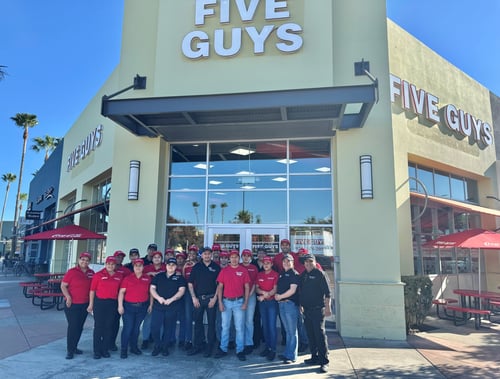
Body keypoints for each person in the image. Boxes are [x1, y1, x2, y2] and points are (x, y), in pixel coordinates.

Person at [215, 249, 250, 361]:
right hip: (226, 302)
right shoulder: (224, 271)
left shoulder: (243, 270)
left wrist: (245, 302)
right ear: (229, 259)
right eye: (232, 257)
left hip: (239, 302)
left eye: (236, 257)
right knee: (225, 327)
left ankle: (240, 350)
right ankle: (223, 348)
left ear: (238, 258)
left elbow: (247, 287)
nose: (234, 259)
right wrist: (220, 302)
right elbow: (220, 287)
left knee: (239, 327)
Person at [299, 253, 332, 373]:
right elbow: (301, 291)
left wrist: (328, 308)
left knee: (320, 335)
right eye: (306, 262)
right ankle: (314, 357)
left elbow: (328, 293)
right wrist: (301, 305)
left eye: (310, 262)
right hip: (307, 310)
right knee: (311, 335)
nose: (308, 264)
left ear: (314, 262)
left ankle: (324, 361)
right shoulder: (304, 275)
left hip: (318, 309)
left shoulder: (320, 274)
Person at [60, 252, 95, 359]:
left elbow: (92, 289)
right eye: (82, 259)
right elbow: (63, 286)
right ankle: (70, 350)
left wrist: (91, 303)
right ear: (79, 260)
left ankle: (75, 347)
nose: (84, 262)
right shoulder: (72, 272)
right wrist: (68, 297)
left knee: (79, 327)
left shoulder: (91, 273)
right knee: (73, 326)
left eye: (87, 260)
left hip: (84, 304)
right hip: (72, 304)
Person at [187, 246, 221, 357]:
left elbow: (220, 284)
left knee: (211, 324)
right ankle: (198, 345)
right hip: (198, 299)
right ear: (201, 255)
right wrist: (193, 297)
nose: (207, 255)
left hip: (211, 299)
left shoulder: (216, 267)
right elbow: (190, 283)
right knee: (198, 323)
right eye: (205, 254)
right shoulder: (197, 267)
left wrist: (215, 298)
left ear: (211, 255)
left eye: (208, 253)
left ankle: (209, 346)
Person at [87, 256, 123, 359]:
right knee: (99, 327)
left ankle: (105, 349)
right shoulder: (98, 275)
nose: (110, 266)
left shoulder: (119, 276)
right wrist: (91, 304)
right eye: (108, 264)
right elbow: (92, 290)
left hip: (112, 303)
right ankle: (97, 351)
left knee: (108, 327)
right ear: (105, 264)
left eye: (112, 264)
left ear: (115, 265)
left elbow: (121, 291)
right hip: (100, 303)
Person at [149, 257, 186, 357]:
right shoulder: (159, 276)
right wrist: (158, 298)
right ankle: (158, 345)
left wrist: (171, 299)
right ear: (166, 265)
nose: (171, 267)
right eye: (169, 265)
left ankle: (164, 347)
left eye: (173, 265)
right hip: (158, 306)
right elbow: (152, 289)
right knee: (154, 327)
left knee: (168, 328)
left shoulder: (179, 278)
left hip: (172, 306)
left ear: (175, 267)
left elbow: (181, 291)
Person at [117, 258, 152, 358]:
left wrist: (151, 305)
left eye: (140, 266)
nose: (138, 267)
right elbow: (121, 292)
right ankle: (124, 349)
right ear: (133, 267)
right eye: (136, 266)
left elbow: (150, 293)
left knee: (136, 329)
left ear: (143, 267)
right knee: (128, 328)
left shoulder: (147, 278)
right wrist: (120, 305)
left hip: (142, 307)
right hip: (128, 307)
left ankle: (133, 347)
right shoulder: (127, 278)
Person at [274, 254, 300, 364]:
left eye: (288, 261)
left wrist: (280, 296)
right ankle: (287, 353)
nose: (286, 263)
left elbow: (292, 290)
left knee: (292, 331)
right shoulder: (282, 274)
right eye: (284, 261)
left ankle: (292, 356)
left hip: (290, 304)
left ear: (292, 262)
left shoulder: (294, 274)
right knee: (288, 331)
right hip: (282, 305)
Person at [255, 256, 279, 361]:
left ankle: (273, 350)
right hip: (263, 303)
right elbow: (256, 288)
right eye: (264, 263)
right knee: (265, 326)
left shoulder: (275, 274)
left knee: (271, 326)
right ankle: (267, 347)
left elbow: (275, 289)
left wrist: (264, 295)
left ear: (271, 264)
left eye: (268, 263)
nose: (266, 265)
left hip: (272, 303)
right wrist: (263, 293)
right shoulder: (259, 274)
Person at [141, 250, 166, 349]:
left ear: (161, 259)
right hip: (147, 296)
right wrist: (149, 273)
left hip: (161, 296)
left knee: (161, 321)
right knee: (148, 319)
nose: (157, 259)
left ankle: (159, 341)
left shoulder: (165, 268)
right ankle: (145, 339)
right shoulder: (147, 268)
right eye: (155, 257)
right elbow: (139, 276)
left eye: (159, 257)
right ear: (152, 259)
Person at [241, 248, 258, 354]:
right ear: (242, 257)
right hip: (239, 296)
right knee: (240, 321)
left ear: (251, 258)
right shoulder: (238, 266)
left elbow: (255, 283)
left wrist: (249, 294)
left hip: (251, 296)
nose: (246, 257)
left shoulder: (254, 268)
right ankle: (240, 342)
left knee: (248, 320)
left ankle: (249, 343)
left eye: (248, 256)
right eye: (244, 255)